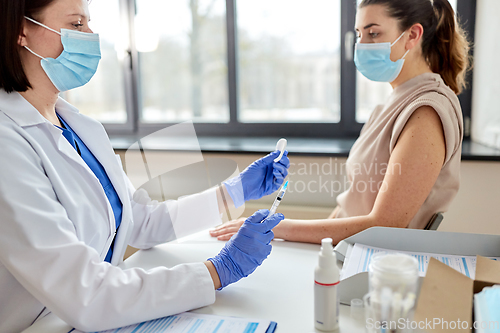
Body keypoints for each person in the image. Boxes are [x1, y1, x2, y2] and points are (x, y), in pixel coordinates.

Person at [0, 0, 290, 332]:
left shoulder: (79, 126)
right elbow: (86, 295)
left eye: (89, 23)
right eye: (77, 24)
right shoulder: (6, 144)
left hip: (98, 315)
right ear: (21, 32)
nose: (92, 35)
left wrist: (235, 192)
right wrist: (216, 272)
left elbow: (141, 221)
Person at [211, 0, 470, 244]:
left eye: (374, 33)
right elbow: (352, 203)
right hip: (346, 250)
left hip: (376, 263)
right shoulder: (387, 107)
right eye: (359, 34)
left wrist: (275, 227)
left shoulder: (427, 110)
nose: (363, 44)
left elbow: (384, 224)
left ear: (412, 35)